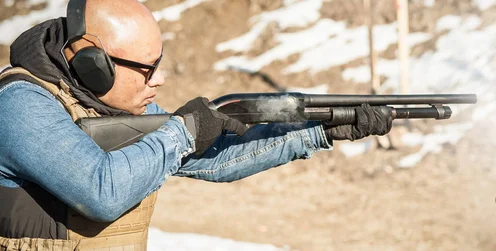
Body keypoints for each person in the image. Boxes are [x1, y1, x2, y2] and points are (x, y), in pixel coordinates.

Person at [0, 0, 392, 250]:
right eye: (147, 69)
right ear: (92, 65)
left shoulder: (111, 103)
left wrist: (318, 130)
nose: (160, 79)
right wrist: (183, 131)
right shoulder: (19, 103)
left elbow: (216, 160)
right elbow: (102, 190)